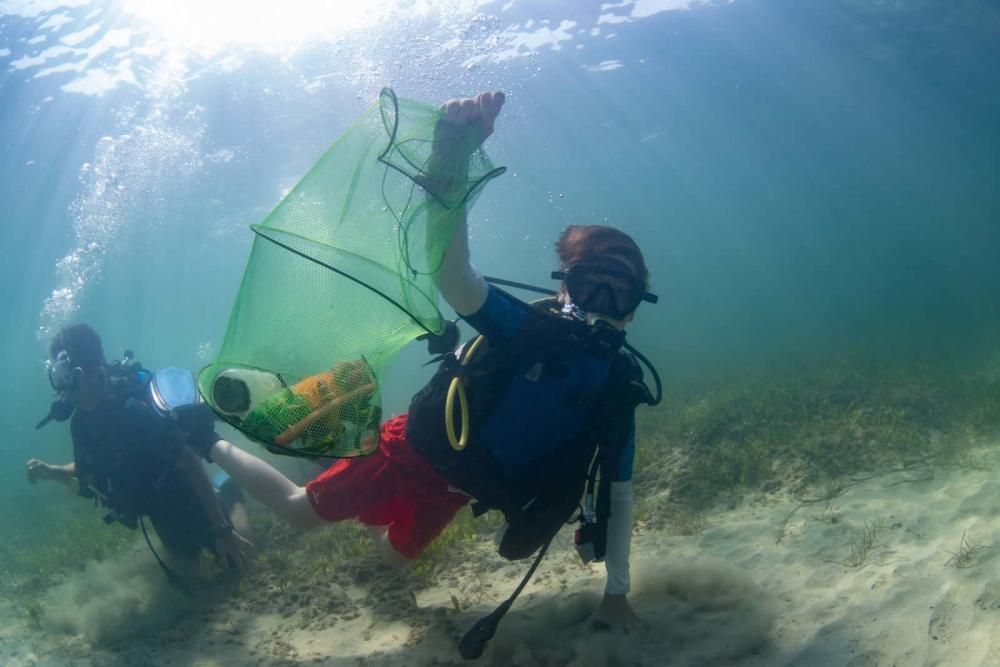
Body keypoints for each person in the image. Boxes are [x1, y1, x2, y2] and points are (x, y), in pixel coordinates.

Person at [194, 91, 654, 631]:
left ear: (634, 308)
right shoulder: (532, 329)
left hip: (453, 492)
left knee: (391, 556)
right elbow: (455, 278)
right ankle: (205, 437)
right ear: (564, 290)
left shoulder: (617, 388)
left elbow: (618, 494)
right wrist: (450, 164)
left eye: (617, 295)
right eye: (586, 287)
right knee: (298, 512)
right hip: (408, 451)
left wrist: (617, 595)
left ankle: (342, 456)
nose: (600, 307)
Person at [26, 324, 254, 577]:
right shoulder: (81, 424)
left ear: (92, 370)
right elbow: (88, 468)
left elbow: (189, 462)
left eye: (68, 378)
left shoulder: (132, 410)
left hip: (185, 492)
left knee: (238, 556)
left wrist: (223, 530)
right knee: (189, 572)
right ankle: (220, 511)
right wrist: (53, 471)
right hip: (156, 508)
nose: (63, 389)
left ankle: (232, 494)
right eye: (58, 380)